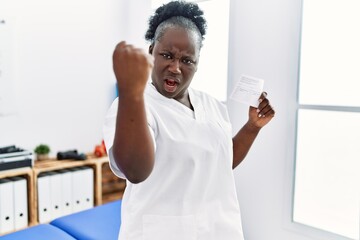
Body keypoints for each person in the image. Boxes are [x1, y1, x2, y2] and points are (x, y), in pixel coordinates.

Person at [103, 1, 275, 239]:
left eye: (187, 60)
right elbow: (135, 170)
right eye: (167, 55)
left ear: (197, 64)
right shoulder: (133, 106)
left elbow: (221, 161)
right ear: (151, 51)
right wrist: (130, 90)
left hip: (219, 230)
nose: (175, 67)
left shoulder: (213, 106)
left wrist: (252, 127)